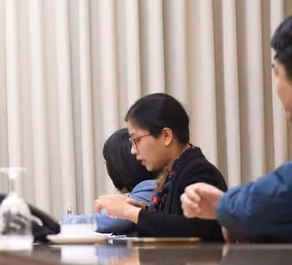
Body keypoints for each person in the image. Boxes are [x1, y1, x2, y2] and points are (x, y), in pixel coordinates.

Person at [182, 16, 292, 242]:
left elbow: (279, 195)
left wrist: (226, 207)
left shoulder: (196, 168)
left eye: (277, 74)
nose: (135, 151)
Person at [94, 93, 227, 241]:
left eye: (136, 140)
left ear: (166, 136)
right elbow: (172, 220)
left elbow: (192, 231)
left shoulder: (199, 172)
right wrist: (141, 209)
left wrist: (129, 212)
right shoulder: (175, 173)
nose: (133, 150)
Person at [65, 128, 157, 234]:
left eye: (107, 163)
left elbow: (110, 221)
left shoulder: (150, 187)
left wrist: (65, 223)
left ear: (121, 165)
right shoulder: (145, 188)